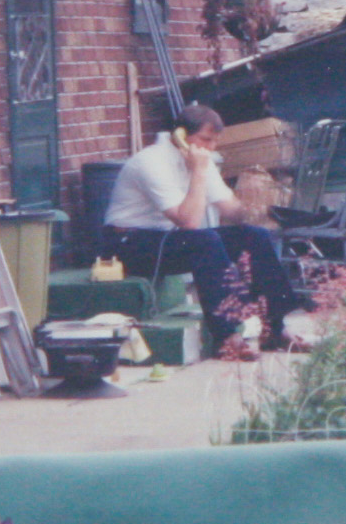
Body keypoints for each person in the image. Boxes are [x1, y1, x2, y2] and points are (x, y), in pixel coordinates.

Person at [100, 103, 313, 349]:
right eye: (205, 140)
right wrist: (199, 171)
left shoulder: (202, 160)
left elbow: (231, 211)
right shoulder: (150, 162)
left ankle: (275, 327)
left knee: (254, 236)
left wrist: (257, 206)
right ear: (180, 135)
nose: (210, 148)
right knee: (204, 240)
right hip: (126, 244)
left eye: (214, 142)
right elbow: (189, 222)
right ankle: (227, 337)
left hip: (165, 239)